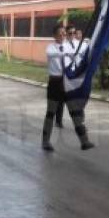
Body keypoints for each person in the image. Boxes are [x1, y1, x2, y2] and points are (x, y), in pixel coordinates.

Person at [42, 24, 94, 152]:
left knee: (74, 111)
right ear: (54, 35)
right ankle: (45, 141)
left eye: (64, 34)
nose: (63, 36)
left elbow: (80, 54)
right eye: (60, 34)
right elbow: (55, 54)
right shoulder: (51, 47)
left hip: (67, 81)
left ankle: (84, 141)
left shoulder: (68, 46)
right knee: (51, 113)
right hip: (55, 83)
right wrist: (69, 53)